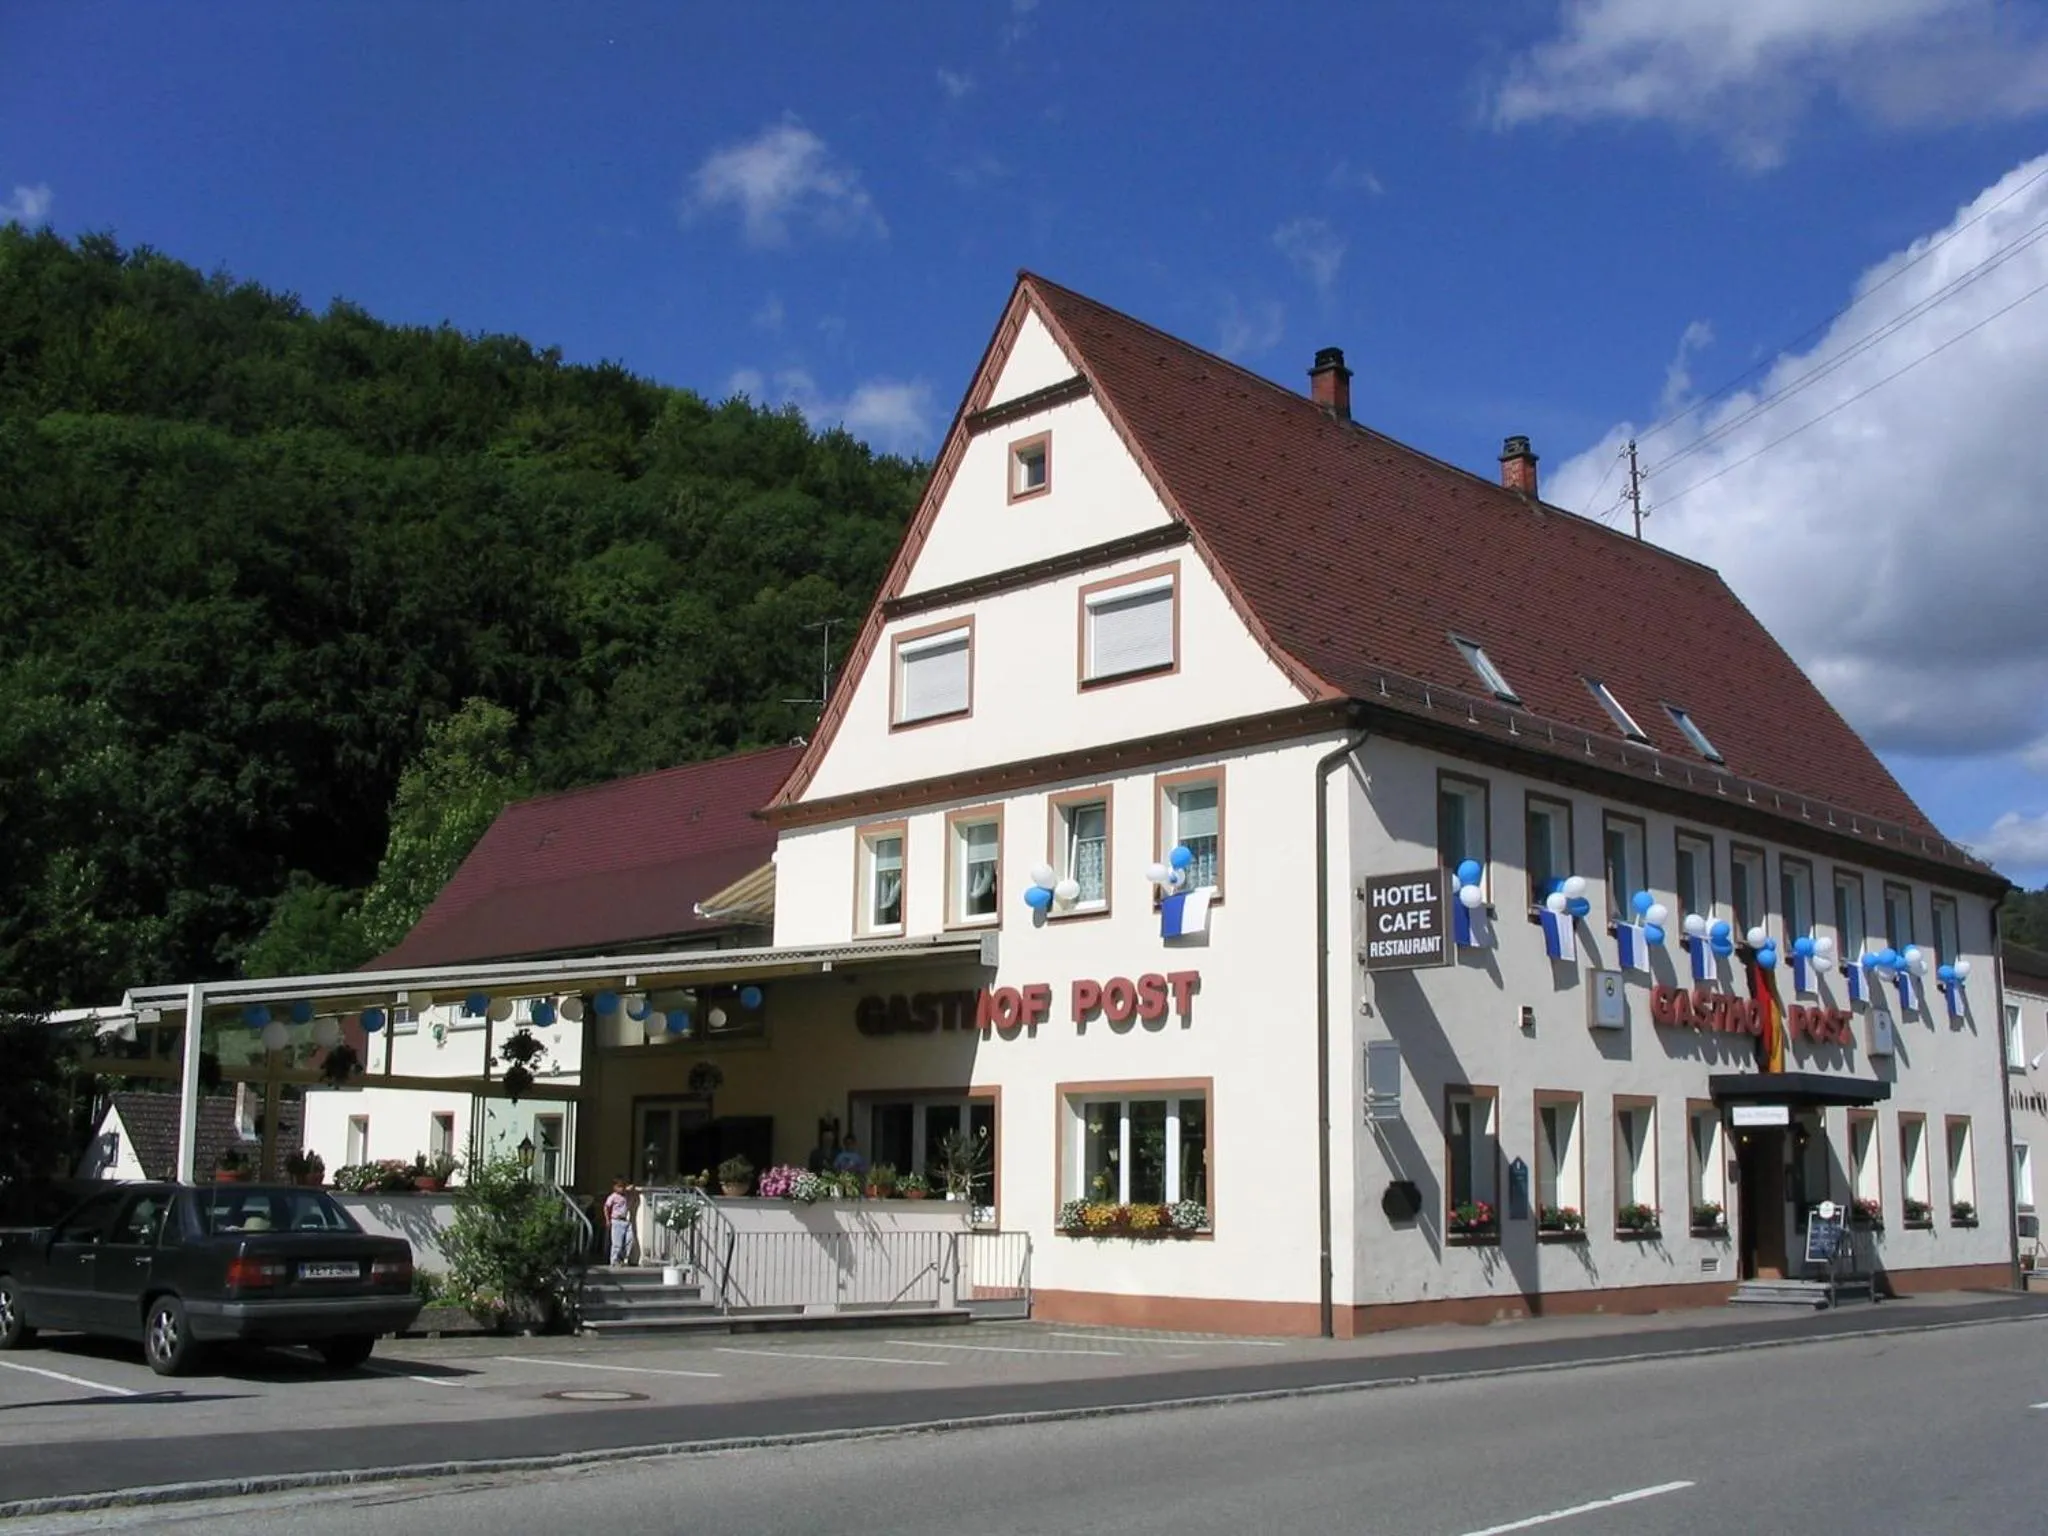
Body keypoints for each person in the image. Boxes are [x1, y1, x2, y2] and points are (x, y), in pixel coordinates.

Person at [604, 1177, 636, 1266]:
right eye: (619, 1186)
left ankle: (623, 1258)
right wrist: (607, 1220)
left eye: (623, 1186)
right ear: (614, 1187)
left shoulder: (626, 1195)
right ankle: (614, 1261)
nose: (621, 1188)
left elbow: (633, 1191)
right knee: (617, 1243)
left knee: (629, 1240)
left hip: (626, 1220)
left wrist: (629, 1189)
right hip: (616, 1221)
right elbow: (606, 1207)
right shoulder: (613, 1197)